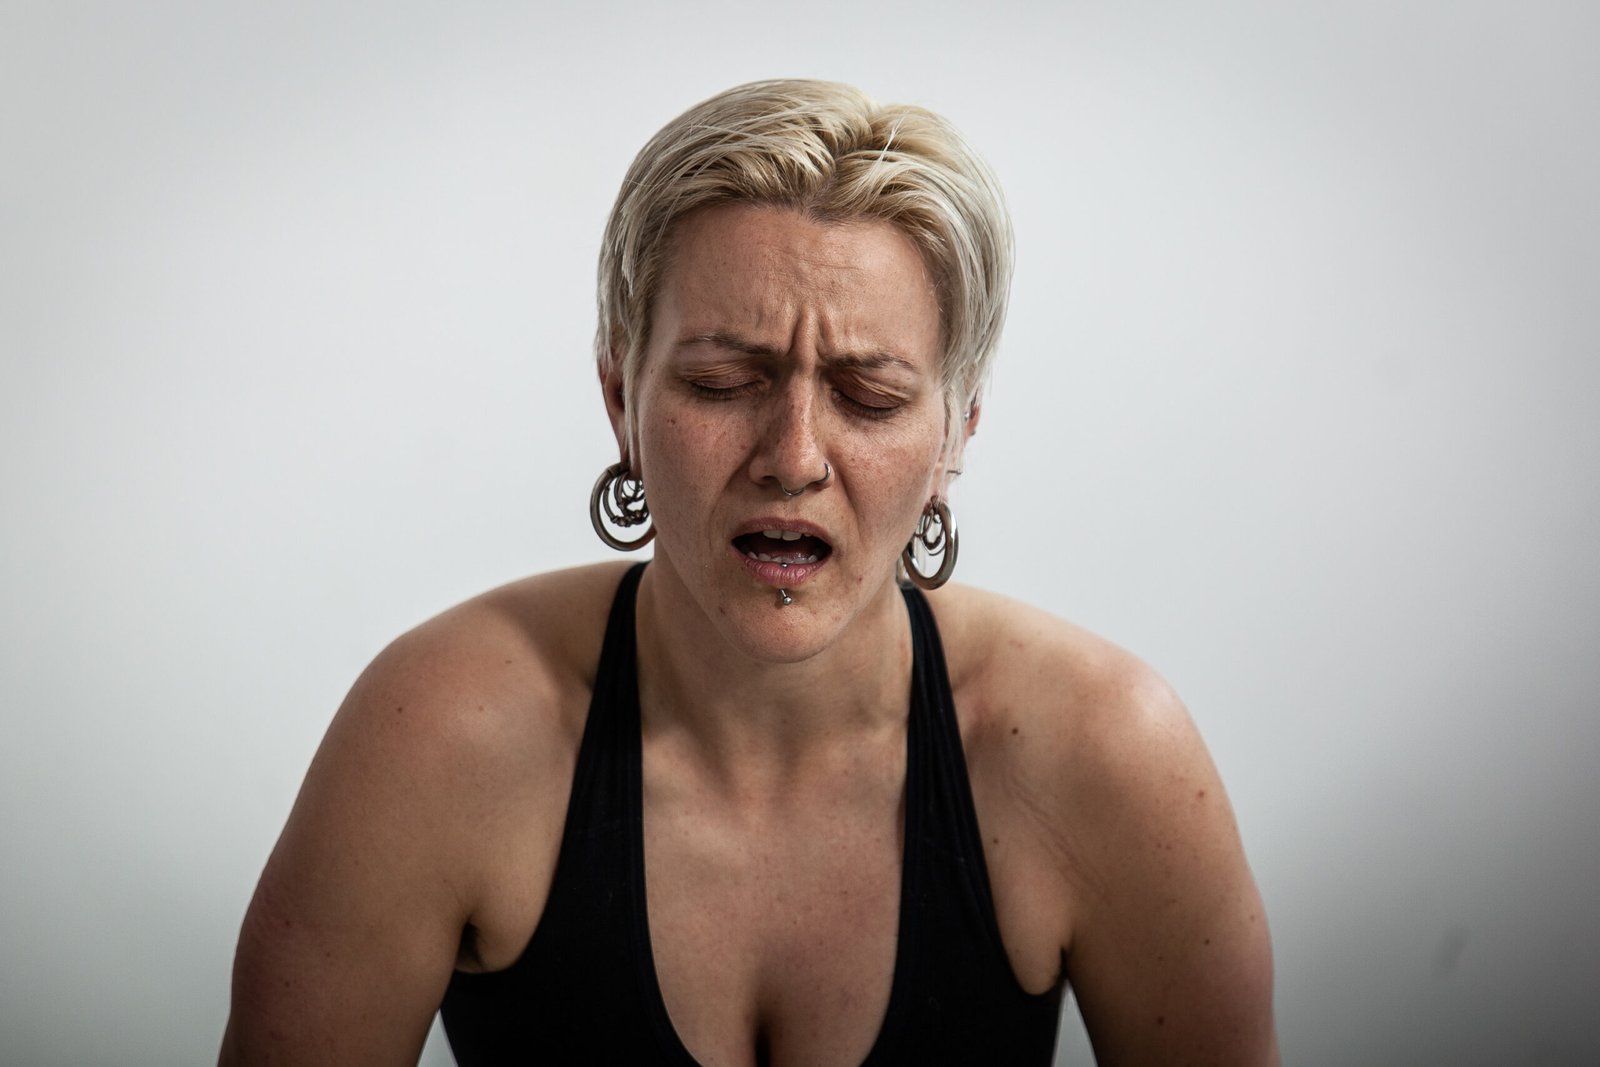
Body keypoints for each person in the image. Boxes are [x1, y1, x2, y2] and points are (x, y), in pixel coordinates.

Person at [220, 79, 1276, 1065]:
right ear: (618, 398)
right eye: (724, 381)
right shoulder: (436, 735)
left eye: (868, 395)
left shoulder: (1102, 750)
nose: (794, 454)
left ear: (957, 431)